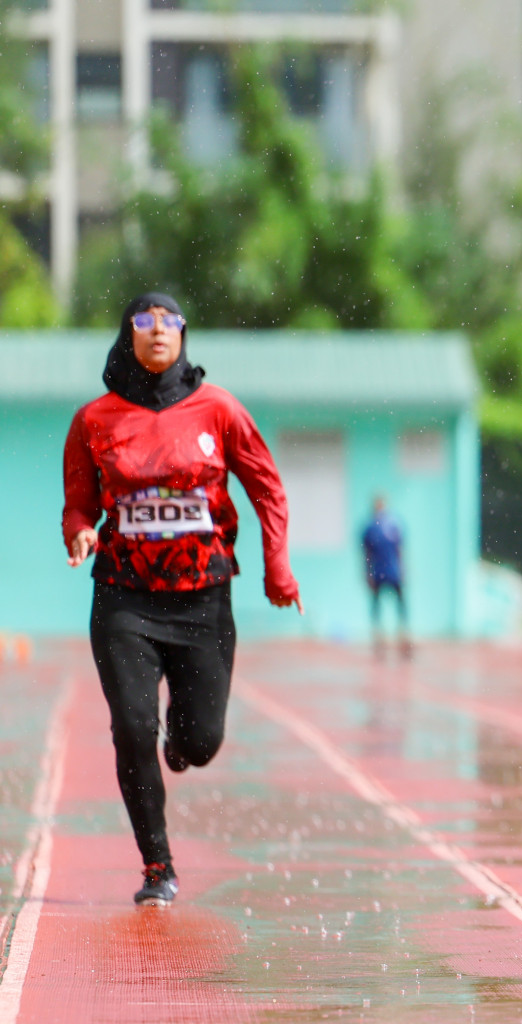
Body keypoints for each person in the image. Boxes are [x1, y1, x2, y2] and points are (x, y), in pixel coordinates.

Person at [62, 292, 302, 907]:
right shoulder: (95, 420)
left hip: (203, 603)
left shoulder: (218, 409)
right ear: (129, 335)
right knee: (134, 728)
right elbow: (80, 501)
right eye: (145, 321)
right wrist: (81, 532)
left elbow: (267, 488)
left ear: (184, 334)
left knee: (201, 743)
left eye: (169, 321)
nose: (158, 330)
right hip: (124, 600)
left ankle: (182, 743)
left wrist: (278, 568)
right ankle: (157, 866)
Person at [361, 494, 410, 658]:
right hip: (377, 572)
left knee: (401, 603)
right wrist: (367, 573)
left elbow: (400, 550)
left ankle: (403, 634)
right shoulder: (369, 528)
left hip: (393, 571)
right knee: (376, 605)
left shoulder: (394, 525)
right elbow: (365, 553)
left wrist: (403, 569)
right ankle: (378, 636)